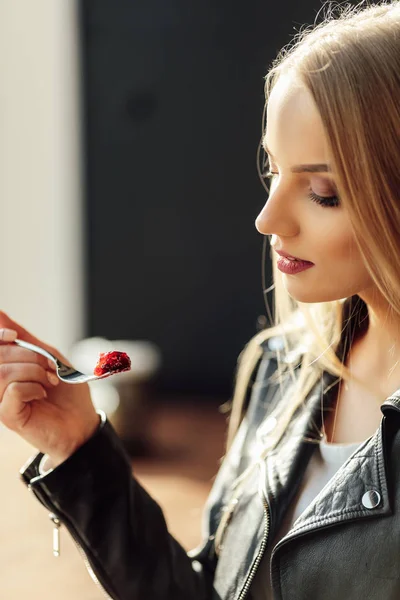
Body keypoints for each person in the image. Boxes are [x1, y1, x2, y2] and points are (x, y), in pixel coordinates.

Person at [1, 1, 400, 598]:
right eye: (273, 169)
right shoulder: (280, 370)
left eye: (323, 193)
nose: (267, 220)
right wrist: (79, 449)